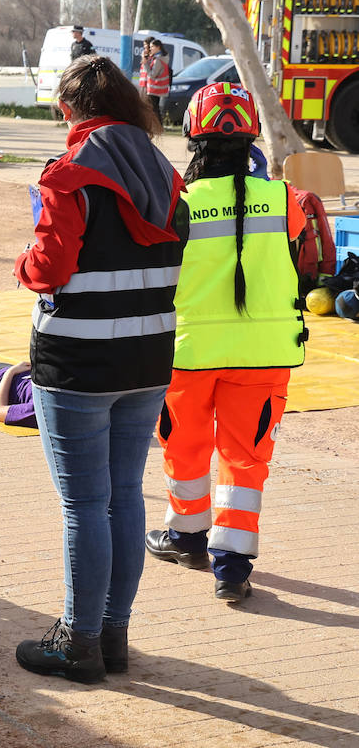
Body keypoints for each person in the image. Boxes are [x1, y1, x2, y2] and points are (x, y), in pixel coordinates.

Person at [13, 54, 188, 684]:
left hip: (79, 362)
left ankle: (78, 643)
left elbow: (49, 269)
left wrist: (22, 265)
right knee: (123, 497)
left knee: (85, 505)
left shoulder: (69, 176)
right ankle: (113, 636)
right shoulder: (166, 175)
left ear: (70, 110)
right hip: (149, 358)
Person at [144, 82, 306, 603]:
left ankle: (186, 536)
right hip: (264, 356)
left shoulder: (180, 202)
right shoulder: (284, 200)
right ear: (251, 139)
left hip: (188, 355)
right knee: (245, 458)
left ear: (194, 137)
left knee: (184, 447)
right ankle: (232, 566)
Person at [138, 38, 171, 120]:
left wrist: (145, 64)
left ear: (158, 47)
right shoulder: (160, 58)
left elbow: (152, 74)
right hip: (157, 87)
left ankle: (157, 126)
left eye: (152, 46)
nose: (150, 48)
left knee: (154, 109)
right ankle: (157, 126)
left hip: (155, 87)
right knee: (155, 108)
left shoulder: (158, 59)